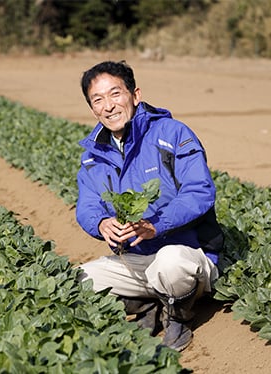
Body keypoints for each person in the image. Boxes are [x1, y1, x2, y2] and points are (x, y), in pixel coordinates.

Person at [75, 60, 223, 351]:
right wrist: (101, 223)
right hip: (137, 261)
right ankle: (148, 305)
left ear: (135, 95)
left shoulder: (172, 134)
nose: (108, 106)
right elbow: (87, 204)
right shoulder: (94, 155)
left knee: (170, 263)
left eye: (115, 94)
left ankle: (178, 315)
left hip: (188, 255)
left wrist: (157, 225)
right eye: (98, 99)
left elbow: (200, 191)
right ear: (92, 108)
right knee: (78, 280)